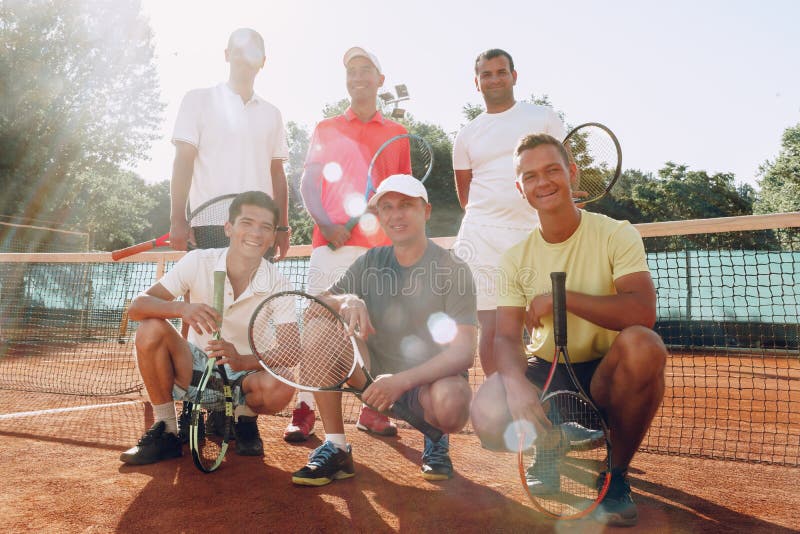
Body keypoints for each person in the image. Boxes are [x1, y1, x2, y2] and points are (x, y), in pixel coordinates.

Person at [469, 134, 667, 527]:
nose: (542, 182)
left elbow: (642, 311)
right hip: (546, 368)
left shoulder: (616, 233)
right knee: (487, 413)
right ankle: (549, 443)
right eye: (530, 176)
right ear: (520, 188)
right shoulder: (514, 258)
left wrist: (564, 300)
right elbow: (506, 337)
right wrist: (515, 384)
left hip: (605, 374)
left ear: (572, 174)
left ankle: (615, 475)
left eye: (552, 170)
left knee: (645, 346)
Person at [291, 175, 477, 486]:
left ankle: (436, 440)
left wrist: (401, 382)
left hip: (427, 387)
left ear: (426, 211)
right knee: (320, 324)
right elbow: (314, 305)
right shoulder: (370, 261)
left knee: (453, 403)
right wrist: (345, 299)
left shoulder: (453, 268)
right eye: (386, 207)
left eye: (406, 205)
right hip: (372, 379)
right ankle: (336, 447)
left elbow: (463, 352)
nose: (395, 215)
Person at [286, 46, 411, 442]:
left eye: (366, 70)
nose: (358, 77)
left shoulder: (397, 134)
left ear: (380, 80)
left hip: (379, 250)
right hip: (330, 246)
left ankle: (372, 410)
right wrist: (328, 224)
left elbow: (402, 193)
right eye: (351, 71)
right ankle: (305, 407)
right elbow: (308, 184)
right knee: (318, 323)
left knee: (371, 329)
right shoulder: (326, 127)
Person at [119, 191, 296, 465]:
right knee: (150, 327)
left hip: (246, 374)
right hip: (194, 367)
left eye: (265, 227)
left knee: (282, 382)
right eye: (246, 223)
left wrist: (242, 359)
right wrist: (182, 309)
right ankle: (166, 429)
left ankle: (243, 416)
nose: (256, 233)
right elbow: (137, 307)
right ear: (229, 228)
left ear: (273, 236)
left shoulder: (279, 283)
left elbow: (290, 351)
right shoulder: (198, 260)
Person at [452, 49, 566, 378]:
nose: (495, 79)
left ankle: (551, 407)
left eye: (501, 72)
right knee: (494, 330)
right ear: (477, 83)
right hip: (482, 239)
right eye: (486, 74)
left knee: (551, 326)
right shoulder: (466, 135)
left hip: (536, 238)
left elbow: (562, 169)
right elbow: (466, 196)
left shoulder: (544, 117)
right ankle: (504, 409)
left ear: (514, 76)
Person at [169, 28, 291, 257]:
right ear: (227, 54)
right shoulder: (197, 100)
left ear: (263, 61)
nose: (246, 58)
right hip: (208, 227)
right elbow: (183, 161)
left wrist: (282, 227)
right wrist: (177, 219)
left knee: (256, 295)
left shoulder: (273, 113)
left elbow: (277, 174)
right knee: (204, 294)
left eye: (253, 53)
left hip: (260, 228)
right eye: (239, 51)